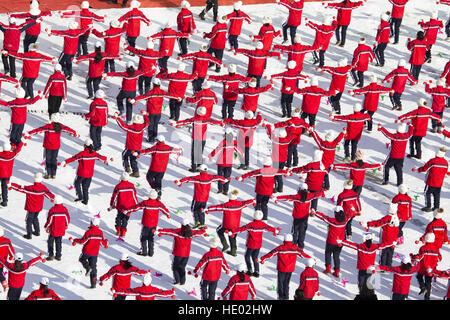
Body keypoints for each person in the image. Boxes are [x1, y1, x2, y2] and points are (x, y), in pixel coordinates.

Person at [259, 233, 311, 300]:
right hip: (290, 269)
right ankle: (286, 297)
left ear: (284, 240)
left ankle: (281, 297)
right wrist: (311, 259)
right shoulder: (295, 248)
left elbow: (271, 253)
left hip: (281, 269)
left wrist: (263, 259)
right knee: (286, 283)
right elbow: (303, 255)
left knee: (280, 283)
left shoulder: (280, 248)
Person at [26, 112, 78, 179]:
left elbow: (39, 130)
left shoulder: (48, 126)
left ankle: (48, 174)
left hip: (48, 146)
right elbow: (68, 129)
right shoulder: (60, 126)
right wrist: (74, 132)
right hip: (56, 146)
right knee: (54, 159)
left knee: (48, 159)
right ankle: (53, 174)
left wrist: (29, 133)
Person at [175, 164, 228, 228]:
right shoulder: (210, 177)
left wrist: (180, 182)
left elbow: (188, 179)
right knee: (201, 210)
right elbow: (218, 177)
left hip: (197, 198)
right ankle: (202, 224)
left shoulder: (197, 178)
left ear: (200, 170)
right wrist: (224, 179)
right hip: (205, 198)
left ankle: (197, 222)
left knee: (194, 209)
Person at [59, 138, 109, 205]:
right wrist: (106, 161)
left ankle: (80, 197)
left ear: (85, 145)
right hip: (89, 174)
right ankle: (86, 200)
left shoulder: (82, 153)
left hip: (81, 174)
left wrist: (65, 162)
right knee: (85, 188)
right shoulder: (94, 153)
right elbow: (102, 157)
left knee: (77, 184)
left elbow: (73, 158)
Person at [172, 107, 223, 172]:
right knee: (199, 153)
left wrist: (178, 123)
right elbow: (214, 122)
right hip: (203, 138)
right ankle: (199, 166)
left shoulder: (194, 119)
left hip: (196, 138)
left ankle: (193, 167)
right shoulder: (206, 119)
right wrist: (221, 122)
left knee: (194, 153)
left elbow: (186, 121)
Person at [158, 218, 207, 285]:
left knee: (175, 267)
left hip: (178, 253)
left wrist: (161, 231)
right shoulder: (191, 232)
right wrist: (204, 231)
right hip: (186, 254)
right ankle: (182, 281)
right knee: (182, 267)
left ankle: (177, 280)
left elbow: (169, 231)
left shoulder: (178, 232)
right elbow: (199, 232)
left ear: (181, 224)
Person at [204, 189, 254, 256]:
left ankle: (225, 244)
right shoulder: (240, 204)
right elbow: (247, 202)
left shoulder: (226, 205)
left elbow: (217, 207)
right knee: (232, 237)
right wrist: (253, 200)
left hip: (226, 224)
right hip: (236, 225)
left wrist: (209, 209)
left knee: (219, 231)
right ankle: (233, 251)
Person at [274, 183, 323, 248]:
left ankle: (294, 244)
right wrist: (322, 191)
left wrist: (277, 198)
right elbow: (317, 194)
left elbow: (287, 197)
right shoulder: (310, 196)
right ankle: (300, 245)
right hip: (305, 218)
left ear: (300, 189)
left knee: (295, 231)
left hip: (296, 217)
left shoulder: (297, 196)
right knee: (302, 232)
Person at [124, 189, 171, 256]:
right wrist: (168, 215)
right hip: (154, 224)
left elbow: (136, 207)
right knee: (151, 237)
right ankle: (151, 252)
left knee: (143, 237)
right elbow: (164, 209)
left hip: (146, 224)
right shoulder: (158, 203)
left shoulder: (146, 202)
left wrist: (128, 210)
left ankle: (144, 252)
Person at [9, 172, 55, 239]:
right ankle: (37, 231)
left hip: (31, 208)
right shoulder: (43, 188)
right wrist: (53, 198)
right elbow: (49, 194)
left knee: (28, 221)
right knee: (35, 218)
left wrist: (11, 185)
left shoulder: (30, 188)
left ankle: (29, 234)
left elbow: (20, 188)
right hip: (38, 208)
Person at [312, 206, 351, 277]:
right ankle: (337, 271)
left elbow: (323, 217)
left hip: (331, 241)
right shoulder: (345, 220)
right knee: (336, 256)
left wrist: (315, 212)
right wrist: (351, 208)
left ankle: (328, 268)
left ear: (336, 213)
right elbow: (350, 214)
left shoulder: (332, 221)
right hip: (340, 242)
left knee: (328, 254)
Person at [71, 218, 109, 289]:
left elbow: (82, 241)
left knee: (82, 259)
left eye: (90, 222)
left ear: (92, 223)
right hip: (95, 254)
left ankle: (87, 268)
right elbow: (102, 243)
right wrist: (106, 242)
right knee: (94, 268)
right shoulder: (100, 232)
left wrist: (75, 240)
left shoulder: (89, 232)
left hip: (86, 252)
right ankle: (93, 284)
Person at [208, 129, 244, 196]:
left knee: (220, 176)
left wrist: (211, 155)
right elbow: (239, 150)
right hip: (229, 163)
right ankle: (225, 190)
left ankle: (220, 189)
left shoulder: (223, 142)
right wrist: (242, 154)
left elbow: (217, 149)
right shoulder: (234, 142)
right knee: (227, 177)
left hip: (221, 162)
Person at [414, 147, 448, 212]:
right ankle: (436, 207)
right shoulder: (446, 162)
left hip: (431, 181)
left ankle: (428, 206)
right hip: (439, 182)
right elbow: (446, 172)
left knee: (427, 193)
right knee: (437, 194)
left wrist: (419, 169)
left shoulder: (433, 161)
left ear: (436, 154)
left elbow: (425, 168)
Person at [115, 113, 149, 178]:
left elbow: (122, 126)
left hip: (130, 147)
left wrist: (117, 118)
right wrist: (145, 115)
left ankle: (127, 168)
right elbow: (147, 123)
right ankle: (136, 172)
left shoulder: (130, 128)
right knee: (133, 159)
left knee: (124, 155)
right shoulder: (142, 127)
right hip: (138, 147)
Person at [410, 233, 442, 300]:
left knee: (419, 276)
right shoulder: (436, 248)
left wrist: (413, 256)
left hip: (423, 268)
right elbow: (439, 259)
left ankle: (422, 287)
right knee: (428, 282)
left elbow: (419, 257)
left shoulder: (423, 248)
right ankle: (427, 297)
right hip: (431, 269)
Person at [109, 172, 138, 238]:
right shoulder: (131, 186)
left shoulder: (118, 186)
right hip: (129, 207)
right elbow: (134, 196)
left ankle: (118, 230)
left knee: (119, 217)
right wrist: (136, 205)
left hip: (120, 206)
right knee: (125, 219)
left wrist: (112, 205)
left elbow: (114, 197)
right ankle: (123, 232)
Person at [43, 195, 70, 261]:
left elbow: (49, 220)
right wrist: (66, 225)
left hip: (53, 230)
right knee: (59, 242)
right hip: (61, 230)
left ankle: (51, 255)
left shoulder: (52, 210)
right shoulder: (64, 209)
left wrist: (47, 227)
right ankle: (58, 256)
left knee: (50, 242)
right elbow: (67, 219)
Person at [0, 141, 24, 206]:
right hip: (7, 174)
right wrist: (22, 142)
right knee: (5, 187)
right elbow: (18, 149)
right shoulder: (12, 155)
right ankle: (5, 200)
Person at [0, 227, 15, 292]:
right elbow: (11, 251)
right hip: (3, 261)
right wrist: (11, 256)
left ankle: (4, 283)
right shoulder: (7, 241)